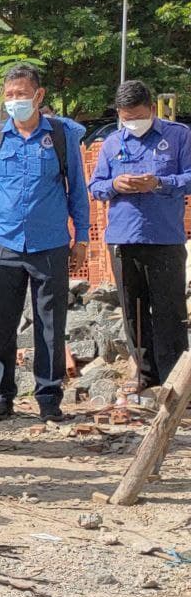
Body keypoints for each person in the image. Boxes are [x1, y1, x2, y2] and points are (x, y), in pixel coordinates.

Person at [0, 64, 90, 423]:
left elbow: (77, 189)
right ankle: (1, 396)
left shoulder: (61, 136)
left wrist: (82, 238)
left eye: (21, 94)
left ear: (38, 95)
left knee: (50, 325)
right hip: (3, 244)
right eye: (9, 95)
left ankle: (49, 397)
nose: (15, 101)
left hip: (50, 244)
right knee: (2, 324)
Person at [89, 80, 191, 389]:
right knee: (134, 313)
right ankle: (146, 377)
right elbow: (96, 187)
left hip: (165, 238)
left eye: (137, 115)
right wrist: (114, 185)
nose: (132, 122)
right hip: (124, 239)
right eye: (126, 117)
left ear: (151, 108)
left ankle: (175, 383)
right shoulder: (112, 143)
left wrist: (159, 183)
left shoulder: (178, 136)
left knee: (170, 312)